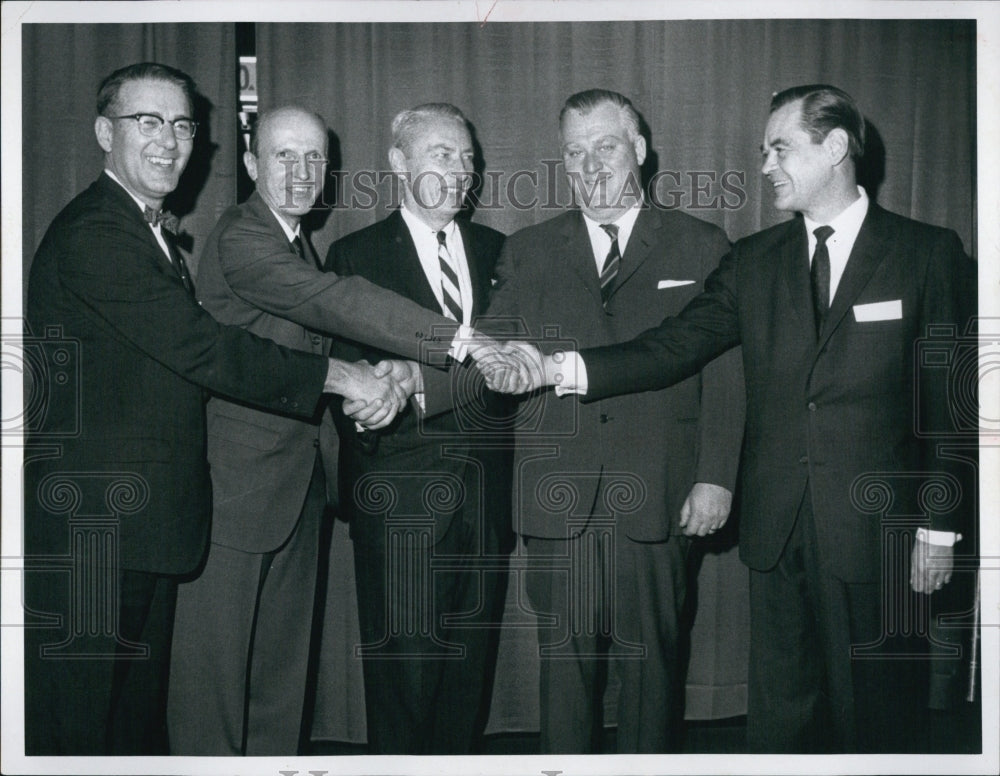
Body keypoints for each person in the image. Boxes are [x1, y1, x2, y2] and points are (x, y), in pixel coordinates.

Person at [511, 84, 977, 753]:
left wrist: (940, 526)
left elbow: (953, 404)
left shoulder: (928, 252)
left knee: (879, 717)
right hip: (776, 532)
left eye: (779, 148)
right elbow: (674, 344)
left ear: (836, 147)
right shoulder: (755, 260)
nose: (764, 164)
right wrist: (564, 369)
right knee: (781, 721)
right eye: (763, 150)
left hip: (880, 533)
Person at [21, 63, 408, 756]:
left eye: (181, 125)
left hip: (150, 519)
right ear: (104, 131)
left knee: (133, 727)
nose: (169, 141)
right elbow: (204, 349)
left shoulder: (144, 230)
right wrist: (344, 375)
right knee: (85, 731)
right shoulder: (98, 233)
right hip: (103, 526)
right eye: (148, 122)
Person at [165, 104, 518, 755]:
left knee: (276, 684)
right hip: (244, 490)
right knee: (212, 689)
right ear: (249, 165)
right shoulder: (249, 238)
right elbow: (338, 304)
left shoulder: (295, 241)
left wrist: (394, 377)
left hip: (303, 489)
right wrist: (451, 345)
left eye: (313, 159)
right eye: (283, 156)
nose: (302, 172)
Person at [482, 89, 745, 753]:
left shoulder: (701, 244)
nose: (591, 163)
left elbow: (725, 372)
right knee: (563, 669)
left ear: (639, 149)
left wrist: (715, 477)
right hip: (557, 496)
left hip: (659, 492)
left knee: (653, 664)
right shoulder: (528, 249)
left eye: (606, 145)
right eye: (575, 150)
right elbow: (491, 354)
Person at [326, 103, 512, 754]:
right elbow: (343, 385)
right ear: (399, 163)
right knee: (403, 680)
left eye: (467, 157)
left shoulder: (498, 252)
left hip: (486, 496)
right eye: (442, 154)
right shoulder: (353, 257)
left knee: (469, 673)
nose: (460, 171)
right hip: (399, 502)